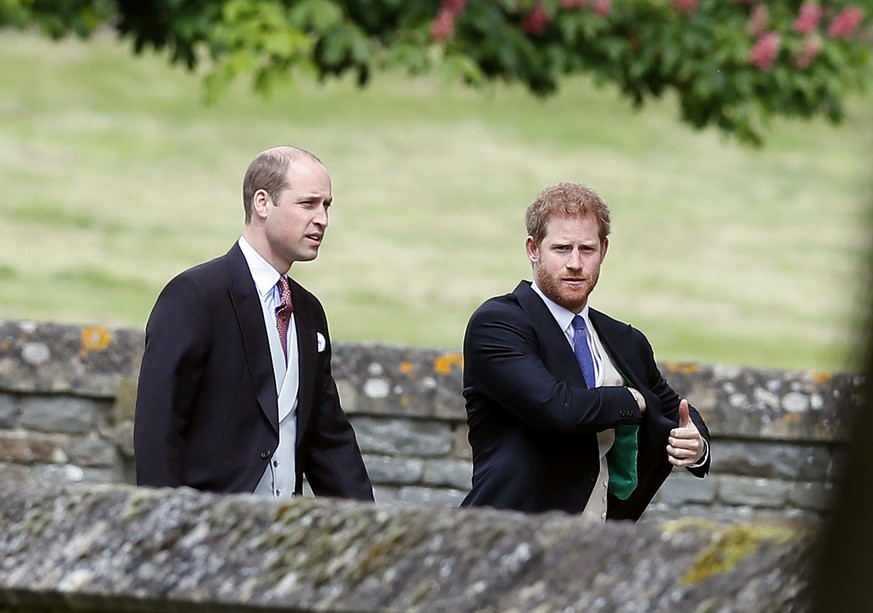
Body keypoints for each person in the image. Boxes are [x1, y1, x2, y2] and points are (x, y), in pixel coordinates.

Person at [134, 146, 373, 501]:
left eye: (327, 206)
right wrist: (165, 528)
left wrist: (368, 529)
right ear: (262, 203)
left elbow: (328, 438)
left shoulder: (308, 312)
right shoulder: (196, 296)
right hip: (203, 530)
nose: (322, 219)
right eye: (308, 204)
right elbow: (158, 425)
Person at [460, 182, 710, 520]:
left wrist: (696, 445)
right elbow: (558, 408)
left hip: (600, 543)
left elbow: (673, 408)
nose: (575, 263)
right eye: (562, 249)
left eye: (587, 249)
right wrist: (631, 401)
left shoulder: (625, 340)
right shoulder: (499, 324)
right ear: (534, 249)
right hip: (508, 535)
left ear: (603, 251)